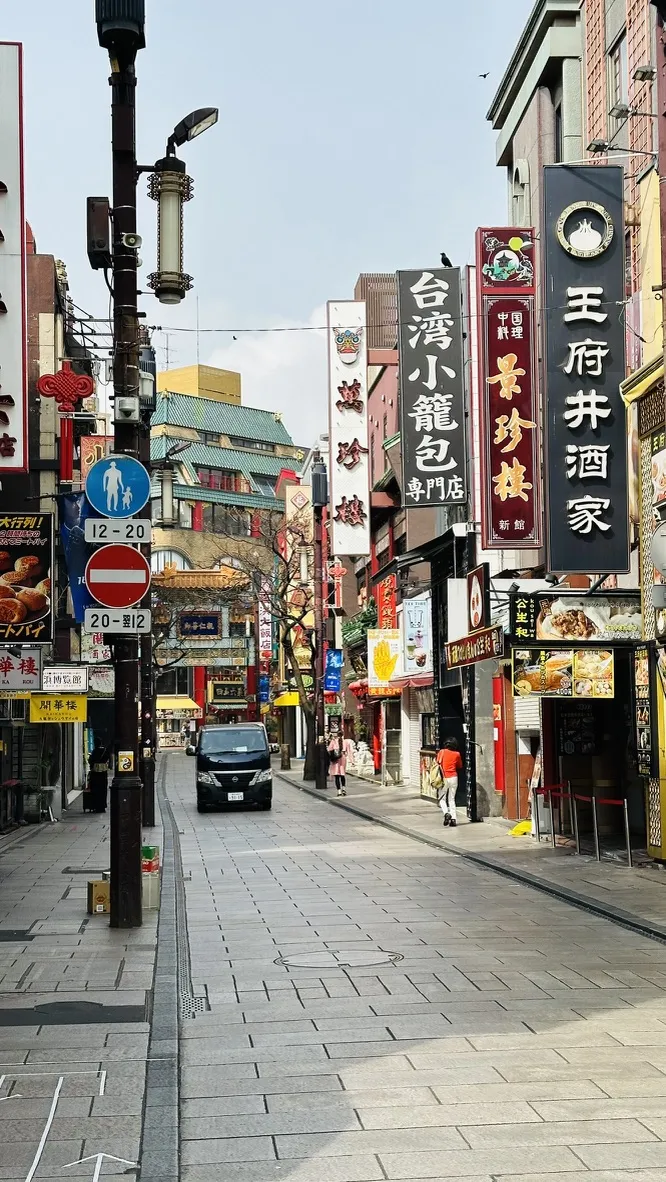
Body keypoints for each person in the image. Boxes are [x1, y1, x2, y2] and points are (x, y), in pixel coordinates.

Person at [436, 737, 463, 827]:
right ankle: (454, 819)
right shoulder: (457, 754)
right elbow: (460, 765)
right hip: (454, 777)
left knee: (442, 799)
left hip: (444, 778)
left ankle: (446, 813)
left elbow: (437, 762)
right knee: (451, 799)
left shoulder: (442, 752)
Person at [328, 727, 353, 797]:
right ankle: (344, 789)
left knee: (337, 776)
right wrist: (352, 761)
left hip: (336, 760)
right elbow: (349, 752)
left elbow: (329, 749)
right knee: (342, 775)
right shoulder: (346, 742)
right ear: (342, 735)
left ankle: (339, 791)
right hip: (343, 758)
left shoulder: (333, 741)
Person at [88, 736, 109, 814]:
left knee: (95, 790)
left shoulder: (94, 751)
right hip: (103, 773)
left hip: (95, 773)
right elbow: (107, 758)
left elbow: (90, 761)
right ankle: (102, 806)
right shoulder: (104, 750)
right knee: (103, 790)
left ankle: (96, 806)